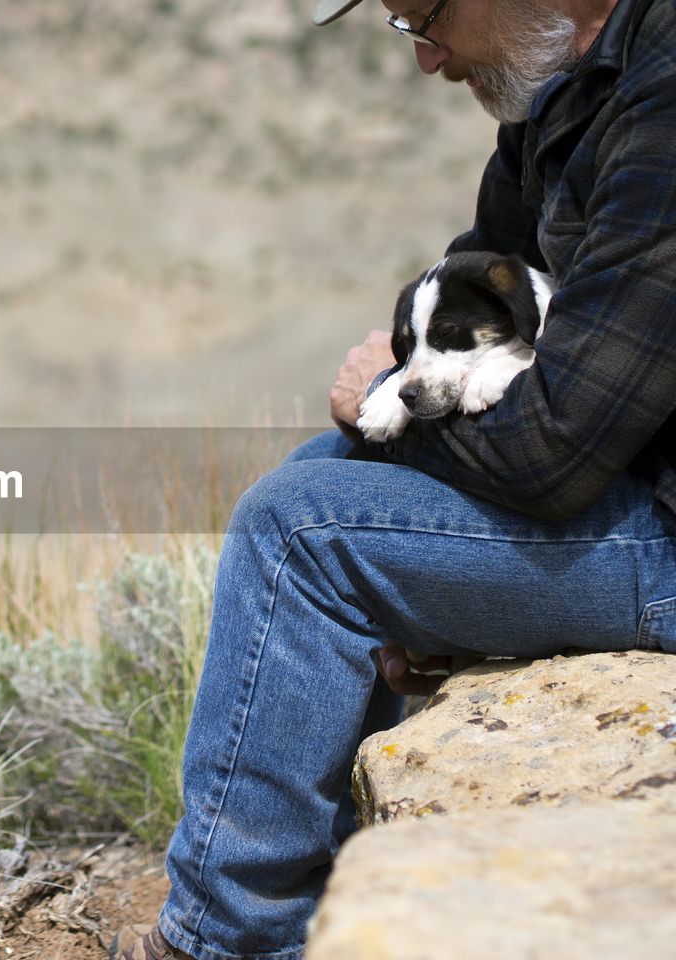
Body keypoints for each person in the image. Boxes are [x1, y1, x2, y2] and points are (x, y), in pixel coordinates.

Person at [110, 0, 676, 956]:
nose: (424, 57)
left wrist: (386, 393)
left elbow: (554, 454)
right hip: (636, 483)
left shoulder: (663, 111)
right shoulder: (559, 95)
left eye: (424, 12)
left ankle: (230, 942)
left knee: (299, 534)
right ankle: (321, 895)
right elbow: (475, 271)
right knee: (324, 476)